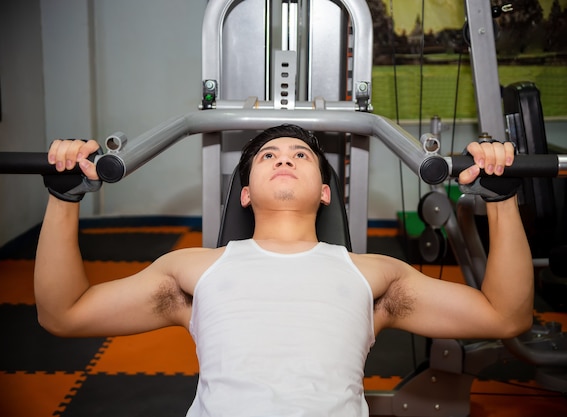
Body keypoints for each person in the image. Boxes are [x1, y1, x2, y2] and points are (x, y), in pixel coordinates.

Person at [35, 124, 532, 416]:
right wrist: (63, 199)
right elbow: (65, 315)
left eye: (301, 155)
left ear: (324, 192)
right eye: (267, 155)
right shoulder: (192, 271)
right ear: (245, 193)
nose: (284, 159)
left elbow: (505, 318)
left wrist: (502, 199)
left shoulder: (375, 276)